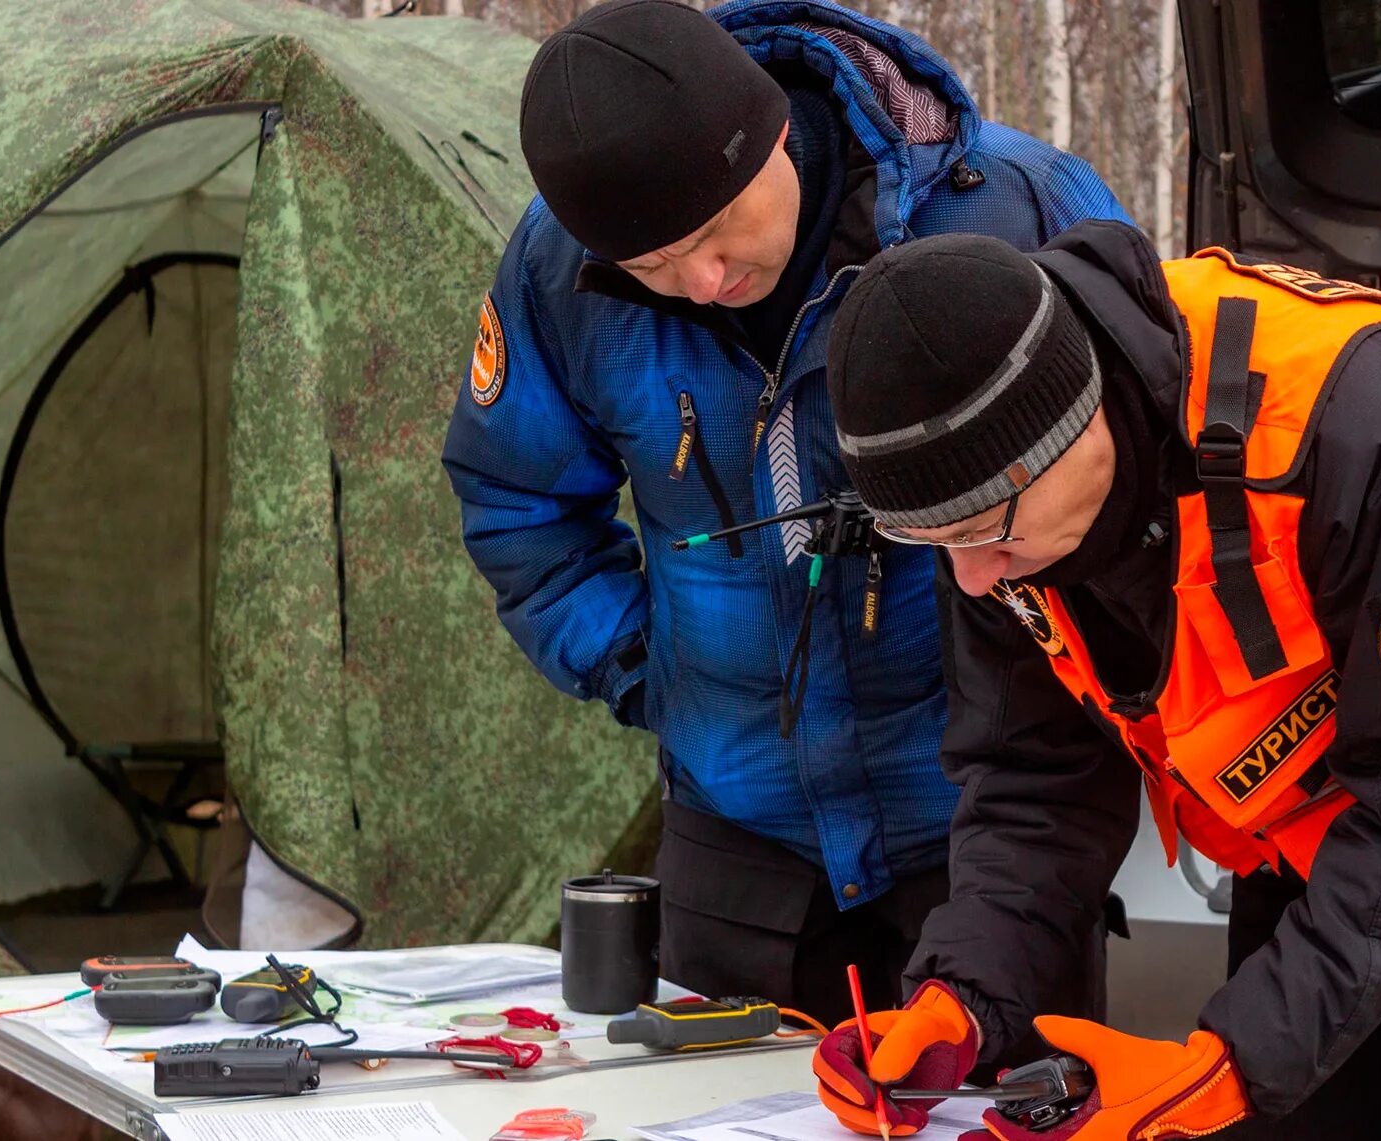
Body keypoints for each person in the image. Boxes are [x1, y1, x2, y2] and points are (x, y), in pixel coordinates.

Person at [809, 222, 1381, 1140]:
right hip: (1306, 814)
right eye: (932, 542)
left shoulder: (1370, 419)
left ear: (1080, 424)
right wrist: (965, 993)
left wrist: (1234, 1063)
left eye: (987, 532)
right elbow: (1035, 780)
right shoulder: (992, 519)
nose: (973, 579)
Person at [441, 0, 1129, 1024]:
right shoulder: (558, 271)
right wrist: (650, 672)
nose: (706, 282)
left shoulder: (1010, 212)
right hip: (735, 839)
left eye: (718, 233)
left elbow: (1131, 487)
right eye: (656, 267)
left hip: (987, 834)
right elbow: (517, 499)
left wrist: (1064, 688)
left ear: (770, 133)